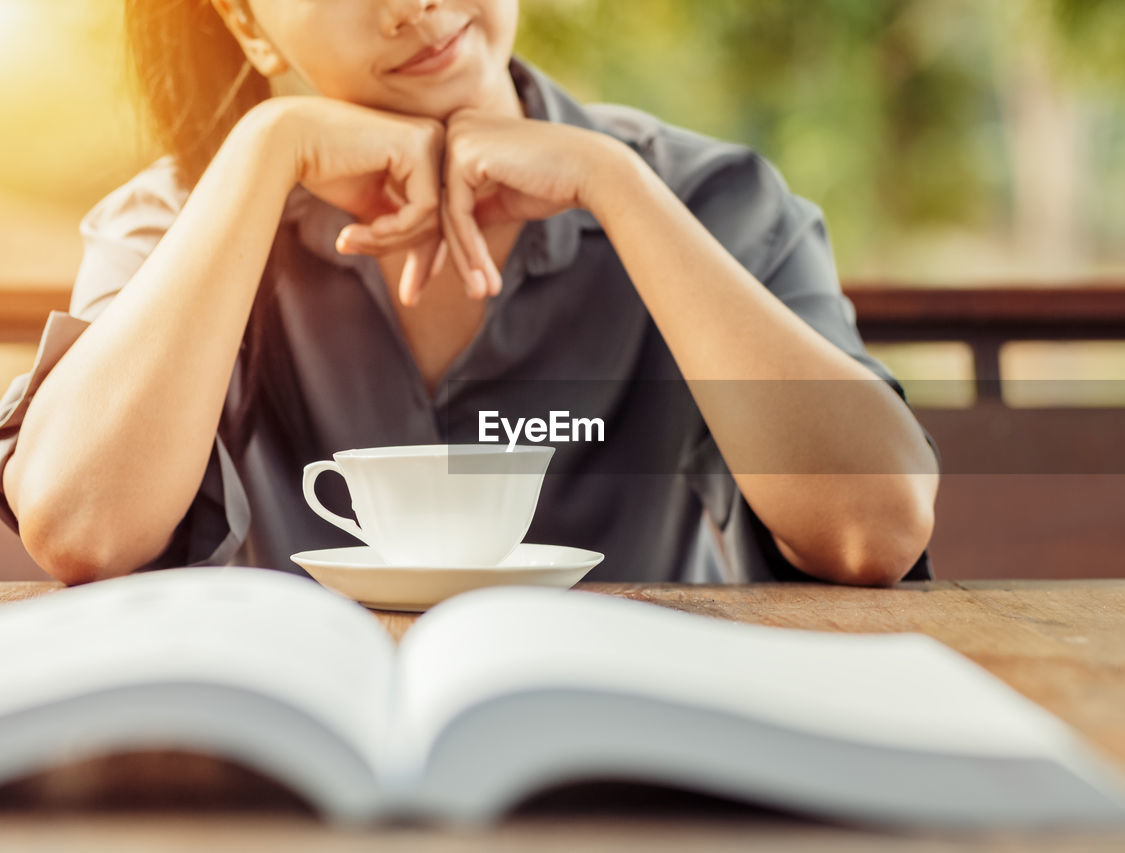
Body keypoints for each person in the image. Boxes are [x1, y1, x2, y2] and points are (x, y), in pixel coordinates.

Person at [0, 0, 940, 587]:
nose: (414, 3)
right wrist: (266, 147)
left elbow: (874, 530)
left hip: (634, 774)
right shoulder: (181, 218)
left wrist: (614, 189)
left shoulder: (707, 199)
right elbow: (82, 524)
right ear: (244, 19)